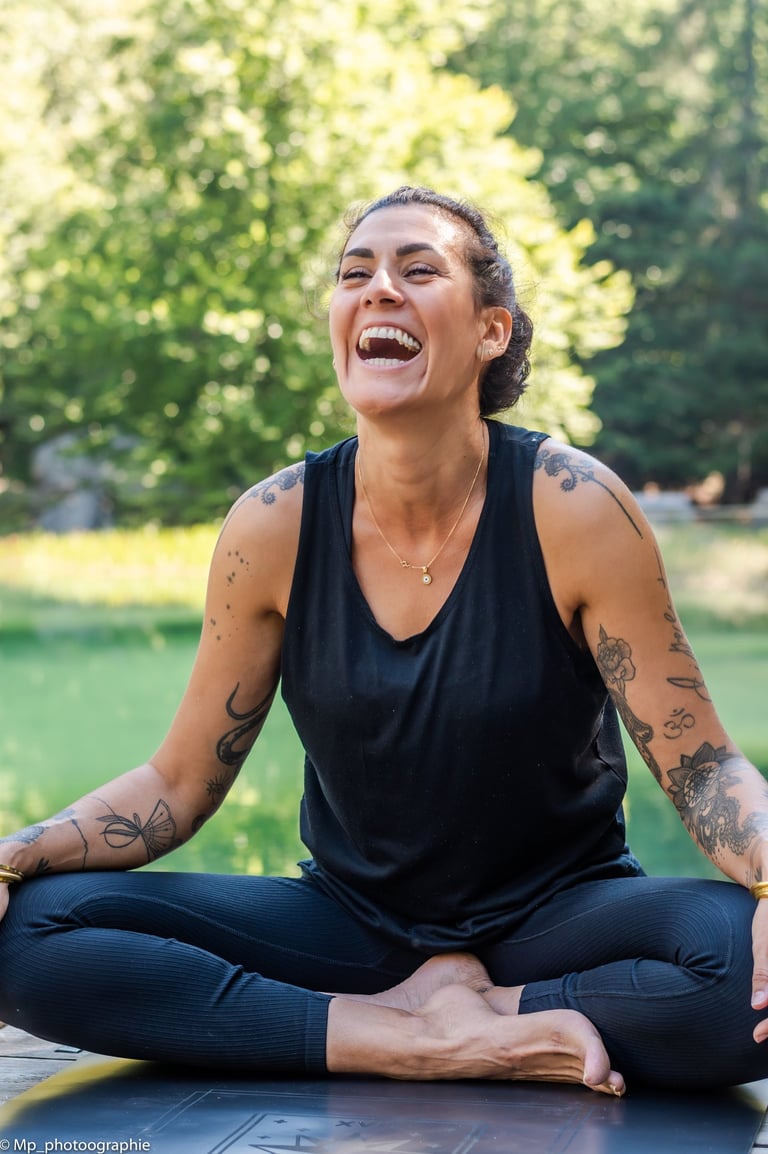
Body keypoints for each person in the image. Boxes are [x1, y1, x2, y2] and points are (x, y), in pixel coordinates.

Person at [2, 185, 768, 1098]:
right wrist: (14, 853)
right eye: (354, 273)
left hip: (560, 919)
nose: (378, 291)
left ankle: (490, 1005)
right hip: (348, 927)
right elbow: (176, 786)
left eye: (418, 270)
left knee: (741, 971)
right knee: (29, 933)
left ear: (491, 330)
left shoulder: (574, 506)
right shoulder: (273, 525)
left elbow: (702, 768)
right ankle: (408, 1038)